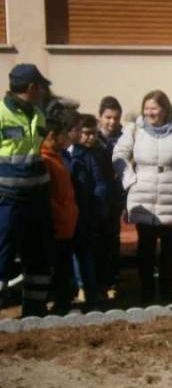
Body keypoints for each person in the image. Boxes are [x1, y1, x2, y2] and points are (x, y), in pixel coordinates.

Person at [112, 90, 172, 305]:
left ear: (165, 109)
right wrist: (130, 180)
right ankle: (147, 292)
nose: (150, 113)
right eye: (147, 108)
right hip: (144, 196)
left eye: (154, 108)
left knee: (170, 248)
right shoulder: (134, 131)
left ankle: (168, 291)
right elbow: (119, 155)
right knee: (146, 249)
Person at [0, 64, 54, 316]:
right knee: (2, 256)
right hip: (7, 200)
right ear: (32, 88)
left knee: (39, 257)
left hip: (36, 200)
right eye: (41, 87)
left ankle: (35, 311)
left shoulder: (38, 115)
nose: (43, 92)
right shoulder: (0, 114)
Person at [64, 114, 108, 310]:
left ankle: (89, 291)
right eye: (87, 133)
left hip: (87, 212)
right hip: (67, 211)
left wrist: (98, 202)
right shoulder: (69, 154)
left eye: (94, 134)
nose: (91, 138)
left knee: (86, 254)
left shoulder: (94, 155)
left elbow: (100, 182)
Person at [41, 101, 79, 315]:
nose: (68, 138)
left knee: (65, 269)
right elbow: (48, 197)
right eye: (65, 133)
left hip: (66, 225)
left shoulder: (59, 158)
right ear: (53, 135)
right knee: (57, 271)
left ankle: (64, 304)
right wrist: (59, 216)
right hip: (56, 226)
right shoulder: (45, 160)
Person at [96, 96, 124, 297]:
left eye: (115, 118)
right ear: (100, 117)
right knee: (95, 239)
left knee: (113, 239)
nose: (112, 122)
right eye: (108, 117)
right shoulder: (91, 137)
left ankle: (112, 282)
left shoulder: (124, 138)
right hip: (95, 198)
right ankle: (94, 282)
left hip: (115, 196)